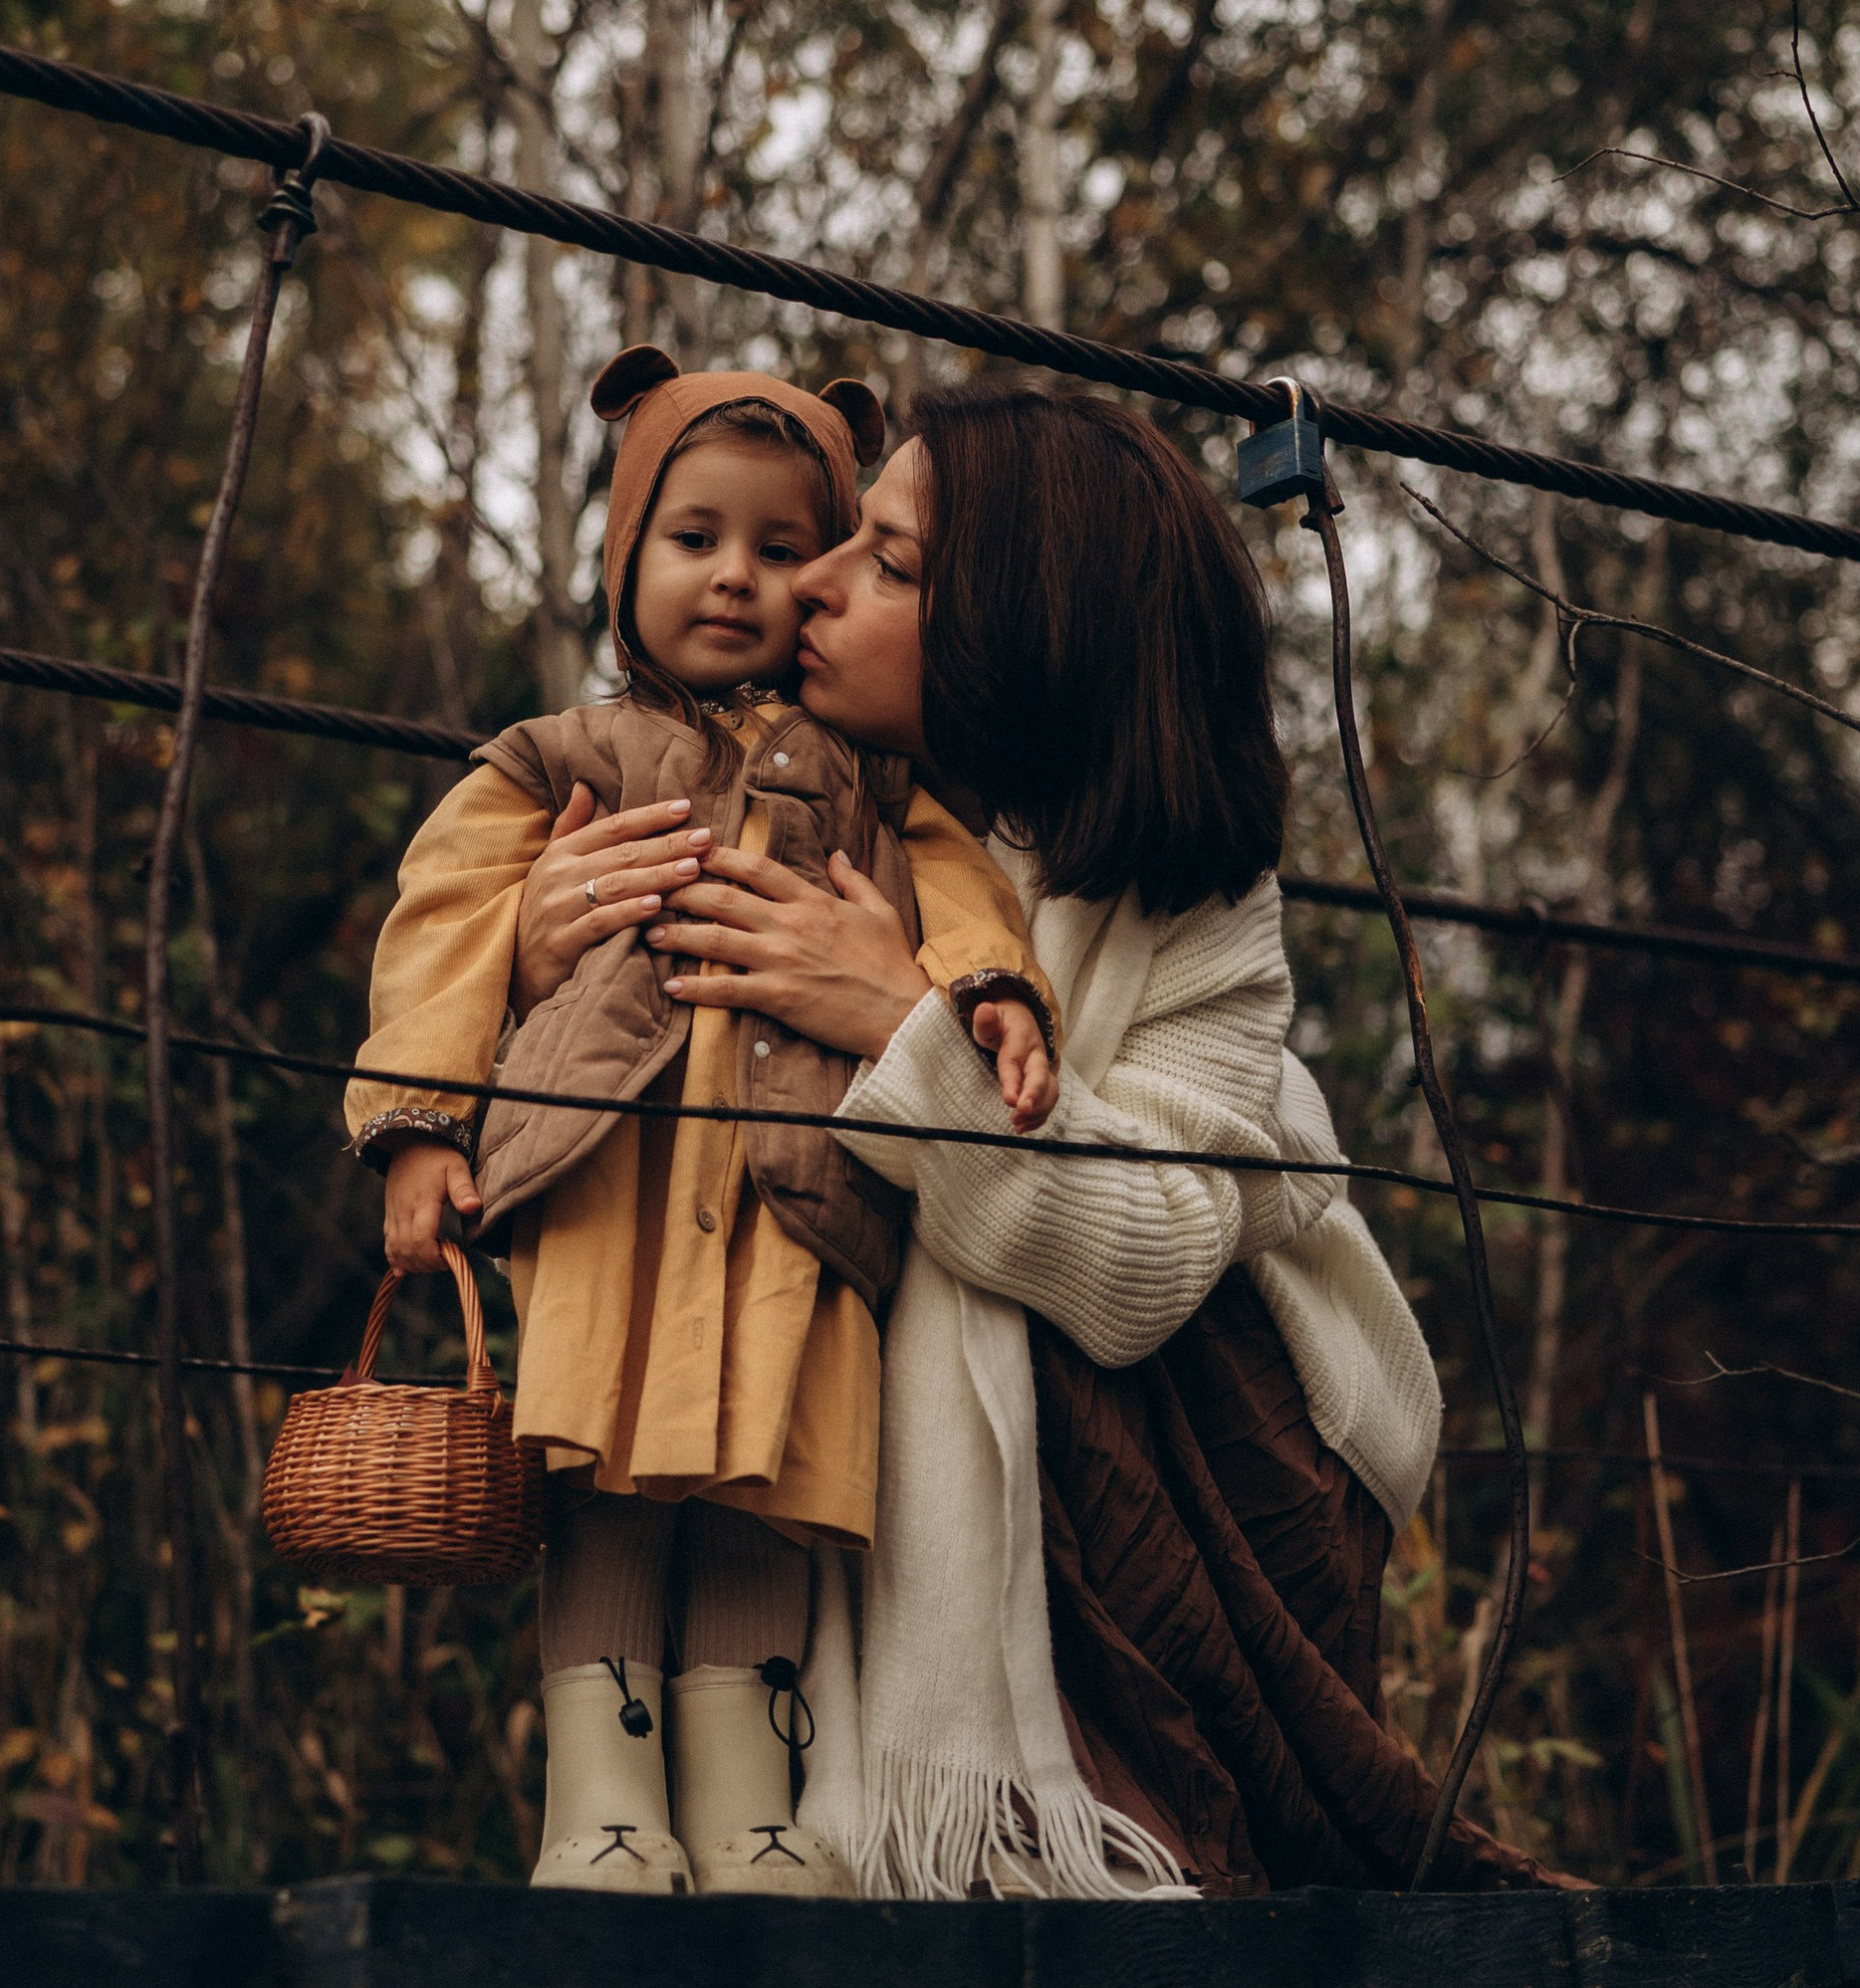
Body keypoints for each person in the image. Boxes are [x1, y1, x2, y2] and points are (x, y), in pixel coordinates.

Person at [641, 380, 1543, 1898]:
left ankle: (1124, 1814)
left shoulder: (1196, 903)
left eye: (893, 563)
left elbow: (1142, 1276)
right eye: (844, 541)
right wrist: (550, 910)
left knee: (1091, 1279)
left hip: (1231, 1471)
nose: (814, 582)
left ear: (1028, 624)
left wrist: (900, 1027)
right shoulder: (787, 793)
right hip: (927, 1449)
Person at [344, 346, 1058, 1902]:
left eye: (783, 547)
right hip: (610, 1180)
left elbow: (970, 899)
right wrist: (420, 1125)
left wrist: (992, 988)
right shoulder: (566, 757)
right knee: (601, 1477)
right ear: (623, 559)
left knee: (765, 1489)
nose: (737, 578)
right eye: (695, 538)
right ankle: (598, 1802)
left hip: (794, 1200)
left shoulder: (881, 781)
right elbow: (447, 918)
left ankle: (753, 1811)